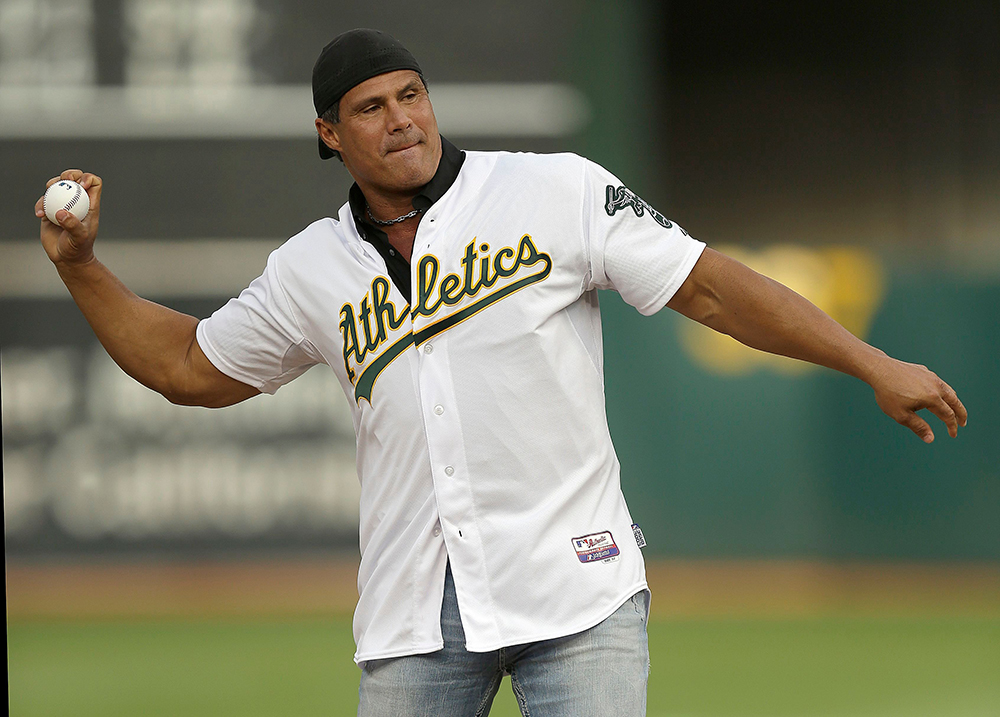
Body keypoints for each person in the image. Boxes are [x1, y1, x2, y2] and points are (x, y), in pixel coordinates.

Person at [35, 28, 966, 717]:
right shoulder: (310, 268)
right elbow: (189, 366)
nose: (401, 117)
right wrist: (81, 266)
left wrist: (870, 360)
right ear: (328, 131)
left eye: (411, 93)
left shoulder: (551, 190)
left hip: (578, 583)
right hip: (415, 608)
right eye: (371, 105)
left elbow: (712, 288)